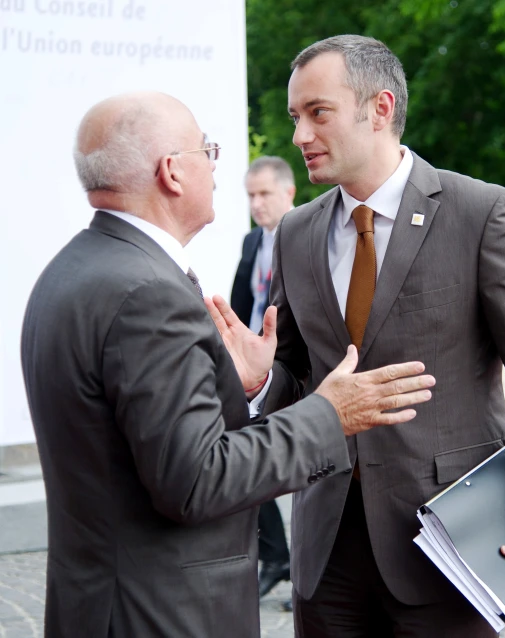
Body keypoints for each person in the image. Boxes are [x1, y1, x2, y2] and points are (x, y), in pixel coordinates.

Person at [216, 36, 505, 637]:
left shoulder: (482, 213)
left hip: (452, 546)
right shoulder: (295, 233)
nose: (299, 135)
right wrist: (259, 382)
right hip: (326, 555)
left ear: (380, 108)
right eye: (295, 117)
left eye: (317, 113)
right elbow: (300, 384)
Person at [20, 91, 436, 638]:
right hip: (164, 614)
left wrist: (246, 386)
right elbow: (195, 481)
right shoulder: (148, 291)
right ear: (172, 171)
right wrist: (329, 415)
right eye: (207, 150)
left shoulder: (71, 270)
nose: (216, 166)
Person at [230, 156, 296, 603]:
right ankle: (278, 556)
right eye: (251, 195)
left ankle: (293, 560)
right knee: (250, 463)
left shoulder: (308, 235)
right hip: (253, 369)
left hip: (291, 368)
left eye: (265, 193)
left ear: (288, 192)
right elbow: (241, 301)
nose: (256, 203)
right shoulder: (253, 241)